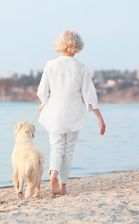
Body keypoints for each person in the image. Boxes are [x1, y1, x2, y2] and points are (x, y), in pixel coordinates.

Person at [37, 30, 106, 196]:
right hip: (74, 113)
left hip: (54, 113)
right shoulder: (81, 67)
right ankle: (63, 187)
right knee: (68, 150)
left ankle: (53, 173)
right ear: (77, 47)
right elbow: (89, 94)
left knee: (56, 146)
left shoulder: (50, 65)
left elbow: (42, 91)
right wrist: (99, 117)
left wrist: (44, 103)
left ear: (60, 44)